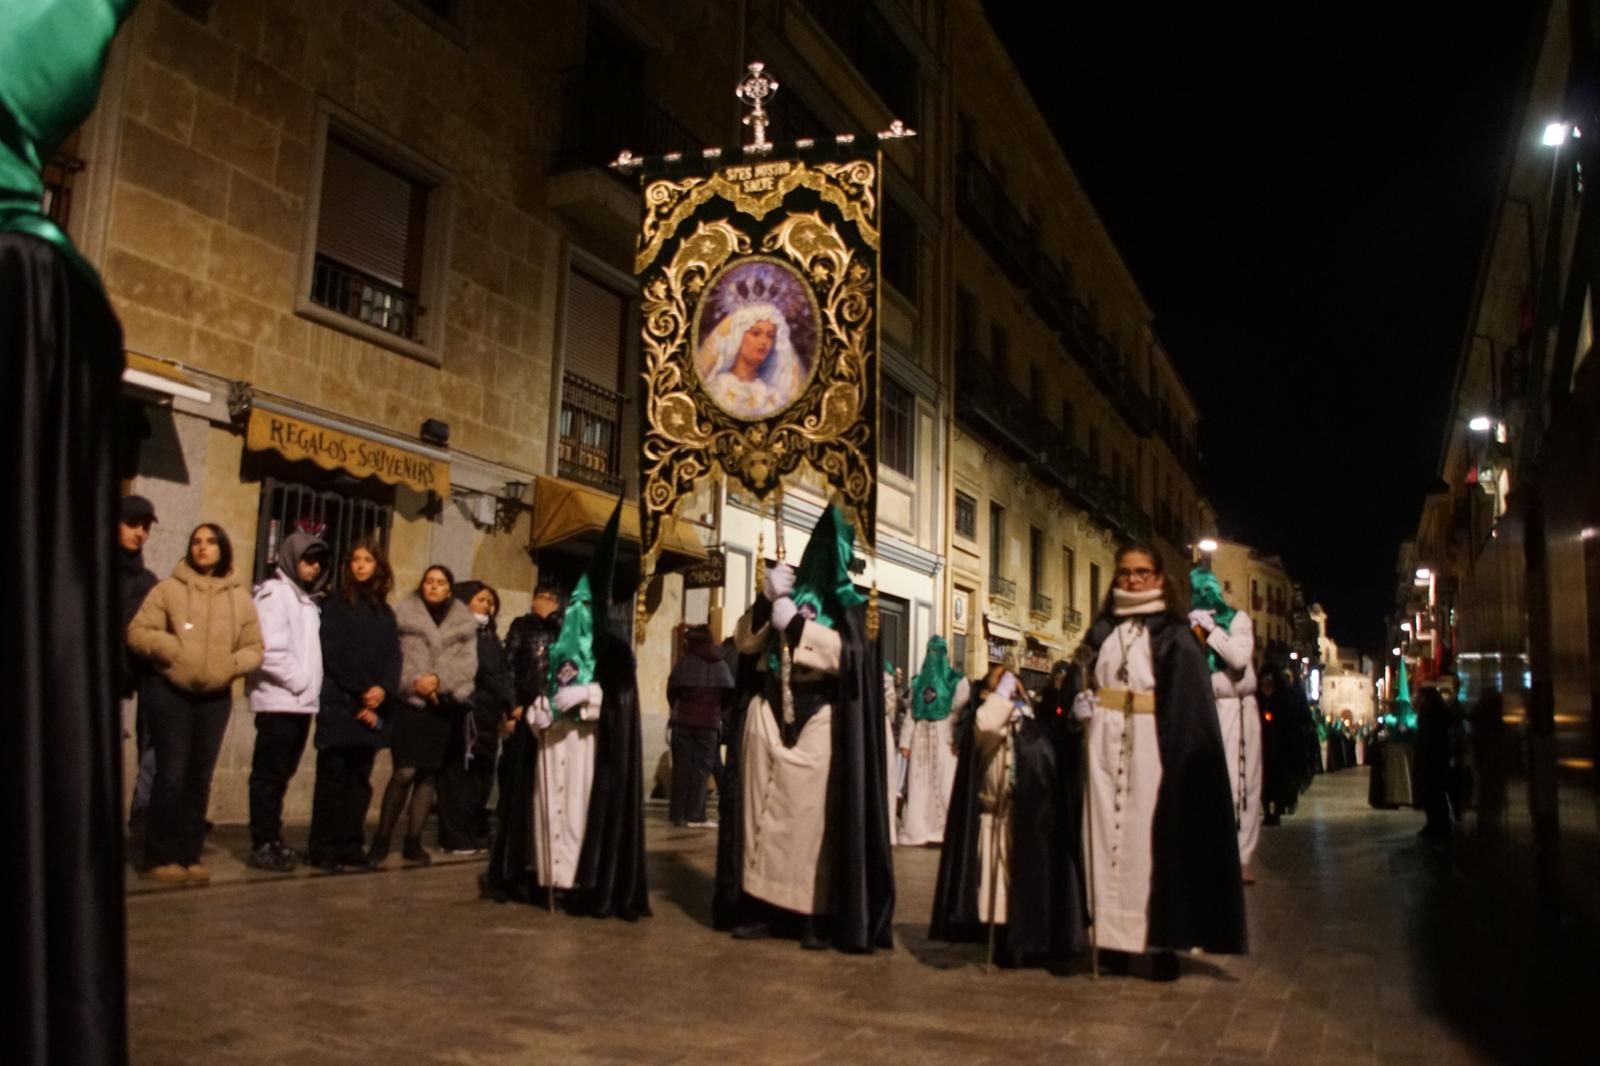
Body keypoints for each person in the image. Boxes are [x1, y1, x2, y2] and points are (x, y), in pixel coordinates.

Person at [715, 503, 895, 952]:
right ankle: (760, 908)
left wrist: (797, 627)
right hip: (771, 708)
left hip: (821, 715)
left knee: (811, 823)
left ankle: (815, 912)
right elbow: (745, 641)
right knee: (760, 817)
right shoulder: (786, 589)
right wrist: (765, 599)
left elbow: (853, 660)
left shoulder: (852, 606)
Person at [1074, 543, 1245, 980]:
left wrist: (1180, 763)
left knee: (1147, 845)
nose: (1132, 580)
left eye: (1141, 572)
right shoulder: (1101, 632)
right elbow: (1079, 680)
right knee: (1102, 842)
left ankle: (1160, 940)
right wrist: (1077, 705)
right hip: (1102, 748)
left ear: (1158, 578)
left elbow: (1188, 705)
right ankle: (1110, 940)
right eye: (1125, 573)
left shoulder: (1174, 634)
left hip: (1151, 748)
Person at [485, 502, 650, 919]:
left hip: (589, 747)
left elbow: (624, 701)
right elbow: (546, 685)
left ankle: (581, 882)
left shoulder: (614, 649)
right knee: (546, 812)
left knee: (579, 813)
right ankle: (546, 879)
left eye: (585, 605)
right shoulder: (556, 644)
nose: (577, 612)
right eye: (572, 604)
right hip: (553, 743)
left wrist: (591, 697)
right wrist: (541, 712)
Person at [128, 523, 264, 884]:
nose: (203, 548)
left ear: (224, 549)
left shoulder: (240, 598)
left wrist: (232, 665)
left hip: (215, 697)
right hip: (169, 691)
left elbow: (255, 647)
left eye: (211, 542)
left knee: (199, 778)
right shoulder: (168, 590)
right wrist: (172, 650)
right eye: (197, 542)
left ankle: (189, 854)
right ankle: (160, 855)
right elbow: (138, 632)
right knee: (171, 774)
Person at [929, 665, 1087, 967]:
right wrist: (1000, 699)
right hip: (997, 815)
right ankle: (1003, 939)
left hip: (1032, 816)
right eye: (1000, 678)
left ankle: (1034, 938)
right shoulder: (989, 718)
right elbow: (985, 726)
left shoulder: (1031, 719)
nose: (1010, 681)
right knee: (999, 885)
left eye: (1011, 678)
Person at [371, 565, 477, 867]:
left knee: (429, 774)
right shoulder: (403, 615)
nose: (433, 586)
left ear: (449, 588)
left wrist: (438, 681)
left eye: (440, 582)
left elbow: (467, 665)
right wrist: (416, 682)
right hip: (410, 704)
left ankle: (413, 840)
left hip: (442, 706)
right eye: (428, 581)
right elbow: (394, 656)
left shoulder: (463, 622)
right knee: (404, 771)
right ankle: (382, 837)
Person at [307, 540, 400, 871]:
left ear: (378, 567)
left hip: (371, 706)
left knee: (360, 778)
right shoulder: (335, 604)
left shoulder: (384, 611)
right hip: (341, 702)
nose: (361, 565)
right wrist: (363, 688)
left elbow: (393, 655)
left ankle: (350, 843)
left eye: (368, 560)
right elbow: (334, 651)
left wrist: (383, 689)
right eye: (356, 559)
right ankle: (324, 847)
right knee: (333, 776)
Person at [244, 530, 331, 872]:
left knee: (281, 774)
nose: (313, 567)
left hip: (298, 703)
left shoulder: (305, 600)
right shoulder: (275, 594)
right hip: (280, 700)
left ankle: (273, 837)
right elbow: (270, 649)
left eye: (318, 562)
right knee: (268, 775)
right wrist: (301, 681)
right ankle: (262, 840)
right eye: (308, 560)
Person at [483, 578, 565, 902]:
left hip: (553, 715)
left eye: (549, 598)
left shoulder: (561, 630)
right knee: (516, 776)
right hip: (524, 708)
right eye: (539, 596)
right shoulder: (521, 627)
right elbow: (510, 667)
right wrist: (513, 704)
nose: (542, 602)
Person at [1188, 566, 1262, 884]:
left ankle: (1242, 856)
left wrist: (1214, 632)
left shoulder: (1238, 620)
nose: (1205, 597)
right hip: (1203, 706)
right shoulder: (1188, 626)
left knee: (1242, 782)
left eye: (1209, 590)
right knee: (1205, 781)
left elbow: (1238, 658)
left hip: (1237, 706)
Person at [436, 580, 513, 853]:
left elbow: (501, 672)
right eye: (481, 600)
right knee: (460, 776)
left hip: (489, 717)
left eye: (489, 602)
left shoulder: (489, 635)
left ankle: (471, 829)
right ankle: (455, 835)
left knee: (482, 777)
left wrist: (507, 706)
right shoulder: (457, 633)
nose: (486, 606)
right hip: (467, 713)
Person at [897, 636, 969, 847]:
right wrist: (905, 742)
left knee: (945, 783)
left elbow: (959, 710)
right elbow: (912, 713)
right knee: (920, 786)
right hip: (921, 737)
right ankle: (919, 831)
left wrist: (956, 736)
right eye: (931, 652)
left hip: (944, 737)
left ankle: (945, 830)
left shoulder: (955, 681)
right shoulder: (918, 682)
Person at [119, 495, 160, 833]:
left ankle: (142, 816)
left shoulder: (147, 580)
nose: (140, 533)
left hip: (141, 675)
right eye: (133, 524)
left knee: (151, 749)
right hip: (101, 679)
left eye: (145, 527)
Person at [667, 625, 735, 827]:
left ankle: (678, 814)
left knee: (681, 769)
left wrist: (679, 708)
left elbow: (672, 690)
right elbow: (729, 693)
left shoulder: (685, 662)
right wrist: (719, 711)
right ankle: (695, 815)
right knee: (701, 770)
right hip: (709, 723)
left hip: (683, 723)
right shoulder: (720, 663)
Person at [699, 302, 806, 417]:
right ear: (738, 337)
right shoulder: (715, 389)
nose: (764, 342)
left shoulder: (772, 398)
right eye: (755, 333)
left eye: (770, 336)